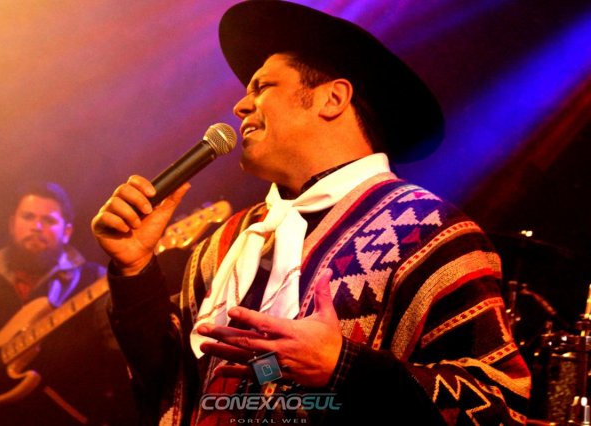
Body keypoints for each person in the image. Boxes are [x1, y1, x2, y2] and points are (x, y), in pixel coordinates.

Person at [91, 2, 532, 425]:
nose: (240, 106)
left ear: (332, 99)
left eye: (262, 86)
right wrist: (134, 272)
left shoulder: (429, 232)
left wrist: (345, 368)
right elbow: (172, 386)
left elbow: (497, 408)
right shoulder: (224, 244)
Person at [0, 181, 137, 425]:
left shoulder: (94, 278)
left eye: (49, 220)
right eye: (28, 217)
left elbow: (124, 350)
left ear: (67, 231)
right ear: (12, 224)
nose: (37, 227)